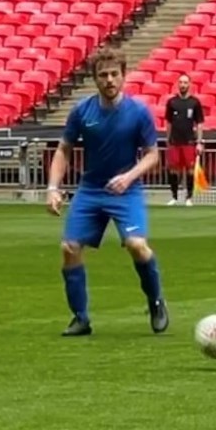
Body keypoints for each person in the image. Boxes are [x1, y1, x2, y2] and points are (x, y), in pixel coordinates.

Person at [46, 48, 169, 337]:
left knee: (138, 245)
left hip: (126, 191)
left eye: (115, 74)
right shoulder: (82, 112)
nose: (110, 80)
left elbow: (153, 155)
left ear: (124, 76)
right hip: (91, 189)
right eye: (103, 75)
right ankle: (81, 318)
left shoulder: (139, 112)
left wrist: (129, 176)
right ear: (95, 79)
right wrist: (53, 188)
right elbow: (63, 149)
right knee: (69, 248)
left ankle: (156, 301)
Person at [163, 74, 205, 207]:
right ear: (177, 84)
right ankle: (174, 197)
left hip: (189, 141)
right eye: (180, 82)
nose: (182, 85)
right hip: (174, 141)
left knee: (190, 170)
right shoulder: (171, 102)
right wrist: (168, 138)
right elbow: (168, 122)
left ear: (189, 85)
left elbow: (199, 123)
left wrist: (199, 142)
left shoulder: (195, 103)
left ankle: (189, 197)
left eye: (185, 82)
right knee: (173, 169)